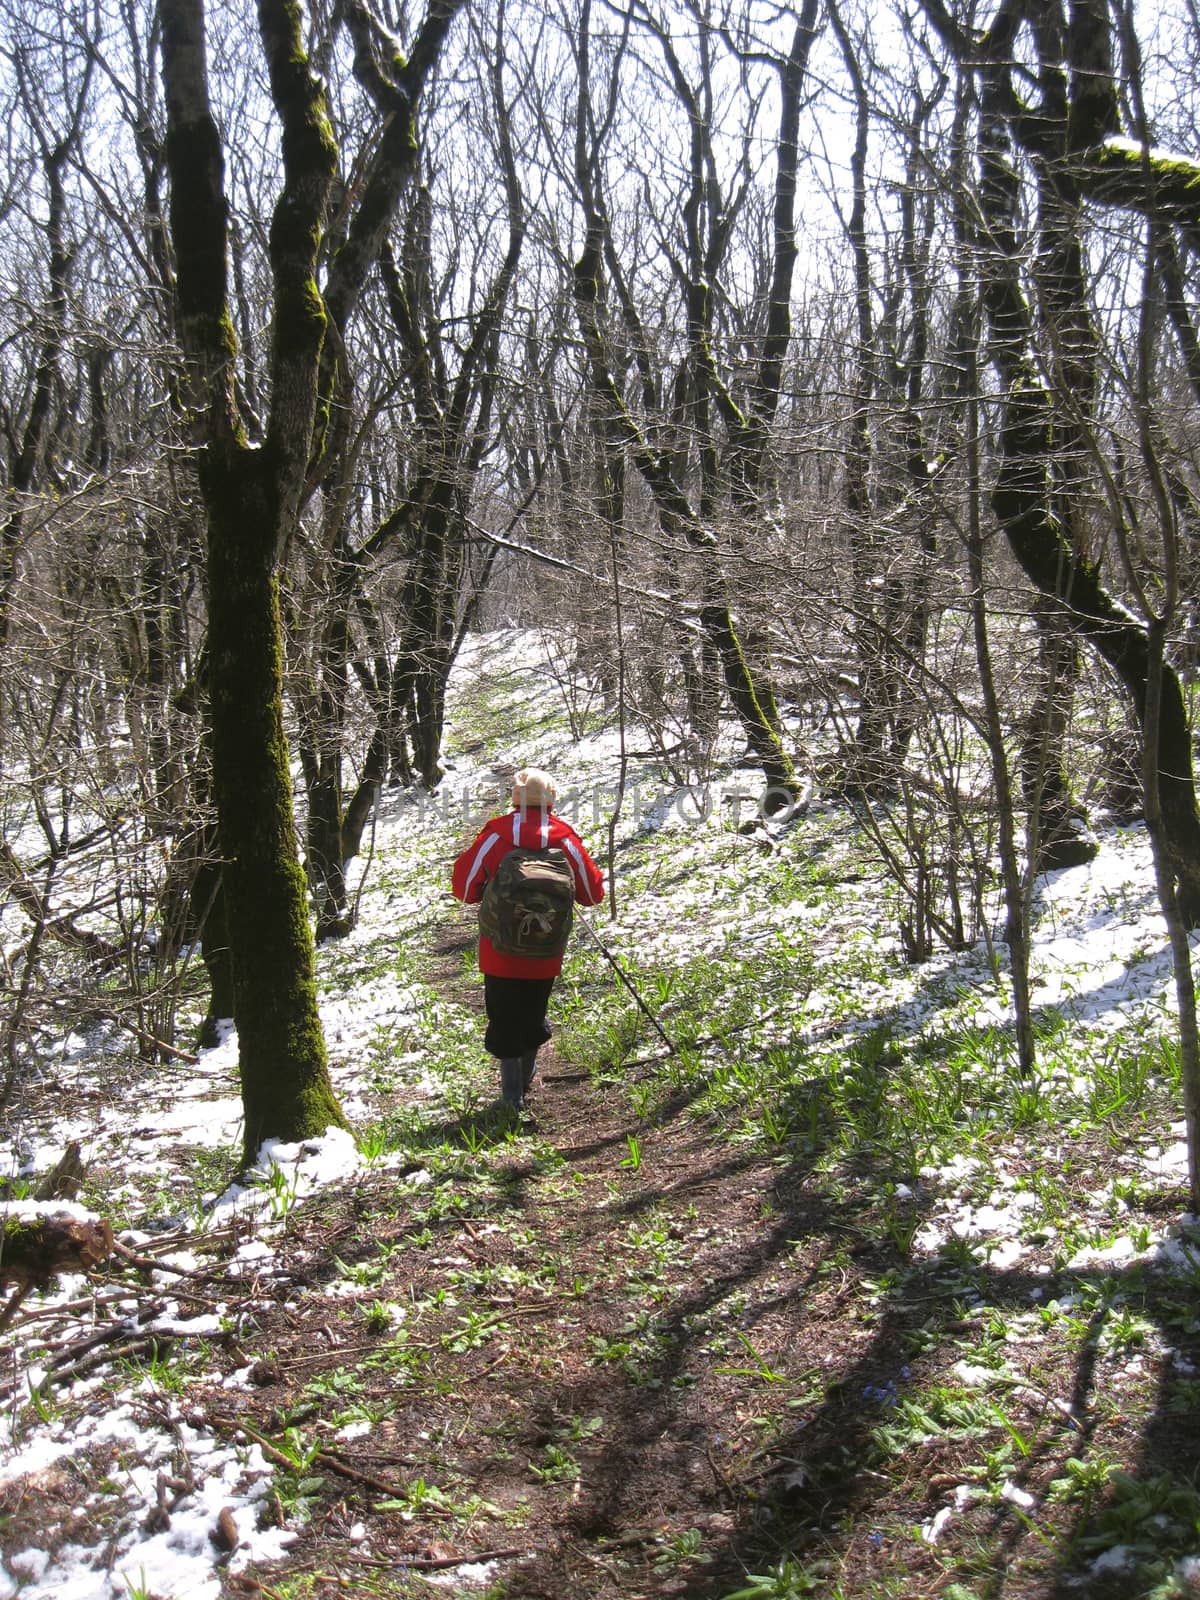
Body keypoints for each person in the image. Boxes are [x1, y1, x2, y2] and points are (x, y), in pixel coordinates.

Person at [451, 767, 604, 1110]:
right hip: (546, 948)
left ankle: (510, 1099)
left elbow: (462, 885)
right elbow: (593, 895)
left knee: (503, 1013)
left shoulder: (496, 835)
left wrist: (485, 894)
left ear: (514, 799)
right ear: (551, 799)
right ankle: (527, 1076)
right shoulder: (564, 838)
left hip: (498, 949)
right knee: (534, 1010)